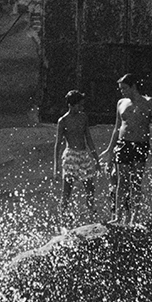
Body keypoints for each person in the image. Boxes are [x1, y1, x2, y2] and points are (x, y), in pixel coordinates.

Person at [108, 74, 152, 223]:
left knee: (136, 181)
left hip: (140, 144)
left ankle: (134, 217)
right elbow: (117, 128)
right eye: (120, 89)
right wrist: (110, 149)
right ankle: (118, 216)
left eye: (124, 88)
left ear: (133, 86)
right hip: (123, 144)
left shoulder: (148, 102)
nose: (122, 91)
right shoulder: (121, 103)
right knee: (122, 181)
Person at [54, 90, 98, 222]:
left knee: (90, 188)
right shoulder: (63, 121)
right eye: (79, 105)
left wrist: (95, 159)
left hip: (83, 155)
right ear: (71, 105)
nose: (81, 108)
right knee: (67, 191)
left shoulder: (83, 117)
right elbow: (58, 144)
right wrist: (56, 167)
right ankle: (62, 216)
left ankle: (91, 213)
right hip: (71, 156)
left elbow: (88, 138)